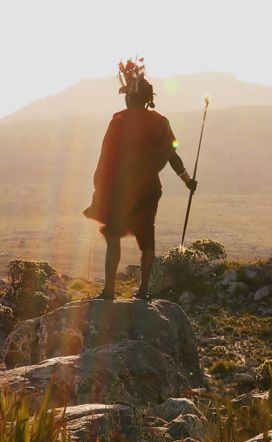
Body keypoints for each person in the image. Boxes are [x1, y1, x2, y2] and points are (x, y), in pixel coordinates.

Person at [83, 58, 198, 300]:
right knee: (147, 238)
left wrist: (101, 188)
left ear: (131, 97)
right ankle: (144, 290)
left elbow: (107, 157)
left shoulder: (118, 120)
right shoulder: (160, 123)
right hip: (148, 191)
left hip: (119, 190)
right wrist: (187, 180)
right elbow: (172, 154)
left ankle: (109, 291)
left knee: (113, 237)